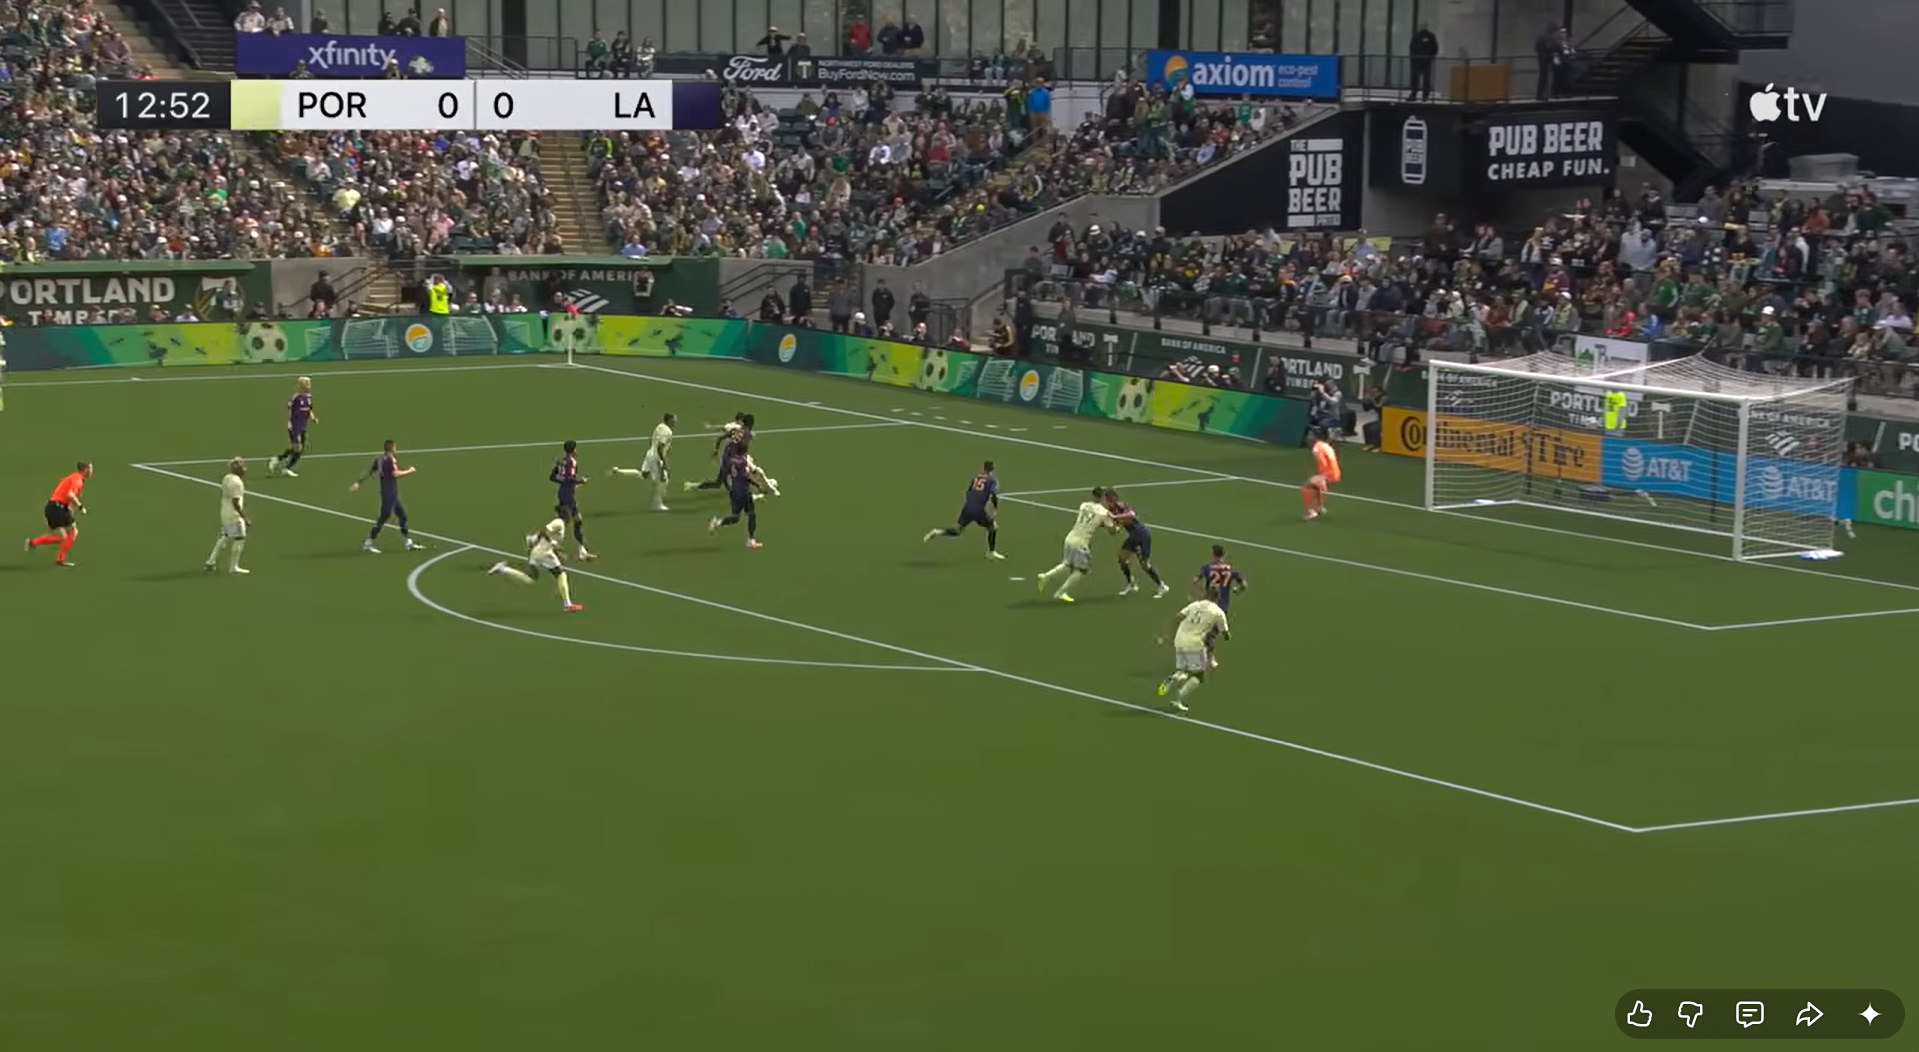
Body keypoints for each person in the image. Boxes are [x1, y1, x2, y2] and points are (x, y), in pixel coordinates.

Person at [1034, 488, 1114, 603]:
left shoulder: (1083, 505)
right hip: (1081, 542)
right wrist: (1117, 526)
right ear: (1102, 498)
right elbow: (1111, 530)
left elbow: (1091, 518)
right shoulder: (1103, 512)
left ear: (1092, 495)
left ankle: (1045, 576)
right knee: (1082, 570)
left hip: (1070, 538)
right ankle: (1061, 593)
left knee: (1067, 564)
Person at [488, 518, 585, 613]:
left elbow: (543, 537)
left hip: (538, 553)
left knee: (530, 579)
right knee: (561, 574)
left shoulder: (559, 525)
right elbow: (544, 531)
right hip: (544, 553)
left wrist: (555, 548)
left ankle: (503, 569)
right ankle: (567, 603)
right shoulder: (559, 522)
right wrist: (552, 544)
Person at [1157, 598, 1230, 712]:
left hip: (1179, 639)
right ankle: (1179, 697)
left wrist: (1167, 635)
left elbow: (1178, 617)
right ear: (1217, 598)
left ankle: (1174, 678)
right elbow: (1225, 633)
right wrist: (1227, 636)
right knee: (1198, 676)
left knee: (1184, 670)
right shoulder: (1218, 611)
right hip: (1194, 644)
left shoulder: (1195, 605)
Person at [351, 440, 424, 553]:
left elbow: (370, 471)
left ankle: (408, 542)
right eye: (395, 448)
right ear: (392, 448)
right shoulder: (391, 459)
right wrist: (409, 471)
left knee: (402, 515)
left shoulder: (379, 459)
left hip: (390, 493)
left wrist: (359, 482)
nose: (396, 450)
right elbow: (395, 474)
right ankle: (368, 543)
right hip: (389, 494)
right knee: (383, 518)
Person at [923, 460, 1004, 559]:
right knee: (993, 527)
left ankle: (937, 532)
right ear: (993, 469)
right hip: (980, 509)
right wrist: (994, 508)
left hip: (967, 507)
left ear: (983, 468)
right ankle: (991, 552)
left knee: (957, 530)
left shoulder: (976, 478)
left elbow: (968, 492)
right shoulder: (993, 480)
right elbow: (993, 494)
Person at [1104, 488, 1169, 597]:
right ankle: (1132, 584)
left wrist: (1115, 517)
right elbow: (1119, 525)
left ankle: (1162, 586)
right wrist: (1113, 528)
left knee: (1144, 564)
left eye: (1109, 499)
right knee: (1122, 559)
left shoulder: (1121, 505)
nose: (1108, 501)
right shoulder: (1111, 509)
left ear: (1114, 498)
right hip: (1133, 535)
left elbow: (1132, 514)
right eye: (1107, 499)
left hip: (1141, 534)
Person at [25, 461, 91, 568]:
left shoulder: (74, 478)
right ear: (85, 469)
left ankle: (34, 543)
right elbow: (69, 494)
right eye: (90, 468)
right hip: (57, 507)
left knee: (65, 536)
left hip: (55, 507)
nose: (91, 471)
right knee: (70, 533)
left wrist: (71, 509)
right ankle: (59, 558)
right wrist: (80, 506)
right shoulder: (77, 479)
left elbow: (67, 495)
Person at [610, 412, 676, 511]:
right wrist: (664, 462)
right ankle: (658, 503)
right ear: (669, 420)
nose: (676, 421)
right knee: (664, 479)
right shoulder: (668, 432)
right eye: (674, 419)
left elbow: (655, 441)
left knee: (643, 475)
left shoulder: (660, 426)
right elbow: (660, 447)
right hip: (657, 458)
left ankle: (619, 471)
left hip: (650, 454)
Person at [1195, 545, 1246, 670]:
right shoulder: (1231, 569)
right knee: (1212, 633)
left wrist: (1200, 589)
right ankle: (1209, 656)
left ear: (1213, 555)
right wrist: (1237, 589)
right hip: (1223, 606)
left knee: (1206, 631)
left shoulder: (1206, 568)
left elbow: (1195, 580)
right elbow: (1244, 585)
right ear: (1224, 555)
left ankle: (1207, 655)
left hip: (1208, 604)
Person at [706, 446, 763, 549]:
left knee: (736, 517)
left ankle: (717, 523)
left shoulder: (731, 462)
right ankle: (751, 540)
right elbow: (746, 477)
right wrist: (758, 485)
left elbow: (725, 476)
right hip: (744, 492)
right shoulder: (742, 462)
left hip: (734, 492)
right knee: (751, 514)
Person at [205, 458, 252, 575]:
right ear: (238, 469)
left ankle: (211, 561)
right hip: (234, 515)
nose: (245, 469)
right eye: (243, 467)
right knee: (240, 538)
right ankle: (233, 567)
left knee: (225, 536)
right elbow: (236, 503)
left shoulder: (227, 478)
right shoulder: (237, 483)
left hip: (224, 512)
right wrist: (245, 518)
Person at [551, 440, 595, 560]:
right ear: (574, 449)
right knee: (563, 523)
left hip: (563, 492)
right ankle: (546, 544)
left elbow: (552, 477)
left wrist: (566, 483)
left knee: (575, 521)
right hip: (568, 495)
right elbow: (570, 478)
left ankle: (582, 552)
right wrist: (581, 481)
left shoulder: (561, 460)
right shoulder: (572, 462)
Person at [687, 413, 748, 493]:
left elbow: (722, 430)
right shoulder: (737, 427)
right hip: (730, 458)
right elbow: (724, 434)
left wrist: (711, 427)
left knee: (720, 482)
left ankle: (694, 485)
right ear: (740, 420)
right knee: (728, 478)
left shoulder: (732, 425)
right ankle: (694, 485)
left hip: (730, 457)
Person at [269, 376, 316, 478]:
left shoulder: (309, 397)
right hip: (295, 426)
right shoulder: (296, 398)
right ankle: (281, 463)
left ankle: (282, 464)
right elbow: (289, 409)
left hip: (303, 426)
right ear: (301, 386)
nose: (309, 386)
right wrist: (289, 422)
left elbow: (309, 409)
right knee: (297, 447)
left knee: (300, 449)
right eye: (307, 384)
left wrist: (313, 418)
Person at [1304, 427, 1341, 521]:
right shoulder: (1324, 445)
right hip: (1335, 472)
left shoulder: (1317, 448)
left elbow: (1323, 463)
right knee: (1316, 488)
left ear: (1316, 437)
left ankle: (1311, 512)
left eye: (1310, 435)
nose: (1308, 437)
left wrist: (1323, 477)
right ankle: (1319, 507)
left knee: (1307, 487)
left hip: (1328, 474)